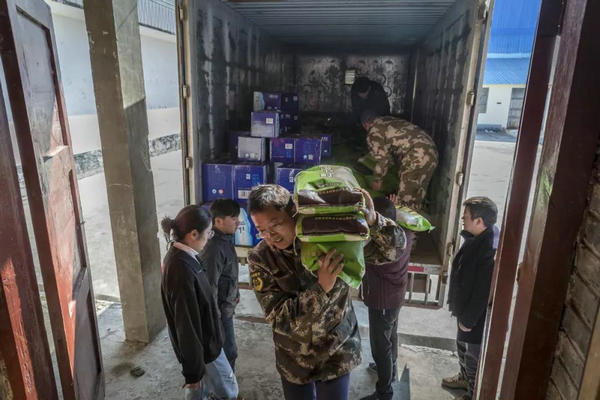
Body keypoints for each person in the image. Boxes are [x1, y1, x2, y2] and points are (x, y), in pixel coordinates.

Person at [246, 184, 404, 400]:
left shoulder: (331, 239)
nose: (270, 236)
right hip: (294, 359)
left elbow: (394, 251)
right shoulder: (261, 258)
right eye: (261, 230)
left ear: (294, 213)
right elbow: (280, 318)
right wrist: (321, 289)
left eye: (275, 225)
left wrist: (374, 221)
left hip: (336, 352)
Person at [160, 205, 239, 400]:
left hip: (206, 343)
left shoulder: (185, 256)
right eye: (208, 232)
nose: (210, 237)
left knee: (202, 390)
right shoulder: (181, 270)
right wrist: (192, 373)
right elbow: (185, 326)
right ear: (193, 234)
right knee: (229, 392)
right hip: (205, 349)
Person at [442, 197, 498, 400]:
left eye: (465, 217)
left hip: (474, 317)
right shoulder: (477, 237)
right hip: (465, 310)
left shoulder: (489, 249)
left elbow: (483, 291)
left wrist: (468, 320)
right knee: (462, 348)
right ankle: (464, 378)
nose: (462, 220)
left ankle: (472, 393)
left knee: (473, 356)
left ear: (479, 221)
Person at [360, 197, 413, 400]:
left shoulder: (378, 248)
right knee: (391, 335)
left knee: (380, 346)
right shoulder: (404, 233)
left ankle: (384, 391)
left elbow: (361, 252)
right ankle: (390, 367)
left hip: (382, 299)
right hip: (395, 296)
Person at [362, 110, 438, 210]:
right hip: (432, 152)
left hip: (417, 154)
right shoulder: (390, 120)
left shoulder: (373, 131)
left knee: (405, 200)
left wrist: (377, 180)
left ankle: (403, 218)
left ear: (366, 124)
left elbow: (382, 159)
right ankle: (415, 215)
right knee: (416, 195)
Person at [201, 199, 241, 371]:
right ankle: (225, 386)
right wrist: (214, 318)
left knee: (228, 351)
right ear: (218, 221)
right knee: (228, 352)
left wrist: (235, 294)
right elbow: (209, 287)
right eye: (233, 218)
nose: (238, 222)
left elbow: (228, 274)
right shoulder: (214, 249)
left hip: (226, 307)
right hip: (219, 312)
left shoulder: (226, 239)